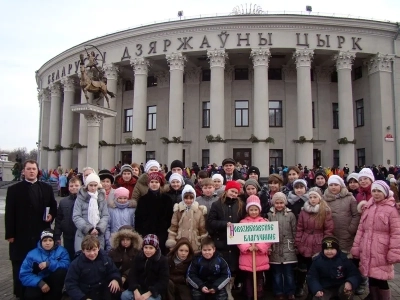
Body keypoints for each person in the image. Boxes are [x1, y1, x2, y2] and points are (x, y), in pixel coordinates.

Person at [5, 160, 57, 299]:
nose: (31, 171)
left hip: (40, 232)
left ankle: (40, 289)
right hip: (21, 233)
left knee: (39, 262)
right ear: (24, 171)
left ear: (37, 171)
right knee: (20, 261)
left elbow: (53, 205)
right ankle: (20, 291)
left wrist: (51, 215)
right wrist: (10, 234)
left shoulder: (46, 188)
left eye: (34, 169)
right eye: (28, 169)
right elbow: (9, 213)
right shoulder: (14, 189)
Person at [351, 180, 400, 299]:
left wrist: (394, 252)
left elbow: (396, 233)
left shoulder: (392, 209)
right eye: (374, 191)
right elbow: (361, 229)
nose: (376, 193)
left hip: (382, 250)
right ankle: (374, 297)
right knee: (371, 276)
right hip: (367, 248)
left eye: (379, 191)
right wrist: (356, 247)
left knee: (381, 279)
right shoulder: (368, 207)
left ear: (386, 192)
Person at [207, 181, 245, 299]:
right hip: (221, 241)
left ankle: (230, 288)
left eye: (236, 192)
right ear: (226, 190)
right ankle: (222, 290)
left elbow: (244, 220)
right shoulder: (217, 205)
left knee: (233, 267)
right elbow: (211, 222)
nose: (234, 194)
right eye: (232, 191)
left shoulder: (240, 205)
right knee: (222, 267)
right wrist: (224, 224)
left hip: (235, 242)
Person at [295, 187, 334, 298]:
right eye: (310, 197)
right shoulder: (304, 211)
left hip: (319, 241)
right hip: (305, 241)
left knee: (317, 269)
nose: (312, 199)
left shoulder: (325, 211)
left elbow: (328, 229)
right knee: (305, 269)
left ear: (320, 198)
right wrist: (298, 243)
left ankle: (316, 291)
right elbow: (299, 228)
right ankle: (304, 289)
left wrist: (325, 244)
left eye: (315, 197)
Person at [65, 235, 122, 300]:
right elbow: (70, 284)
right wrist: (83, 298)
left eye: (94, 250)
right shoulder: (76, 264)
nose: (92, 253)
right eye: (88, 251)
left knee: (116, 290)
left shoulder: (105, 258)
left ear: (98, 248)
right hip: (86, 294)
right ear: (83, 250)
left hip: (103, 291)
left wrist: (115, 279)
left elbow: (114, 271)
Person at [19, 229, 69, 300]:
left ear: (54, 241)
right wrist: (40, 283)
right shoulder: (32, 254)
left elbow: (66, 266)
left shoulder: (62, 251)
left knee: (61, 271)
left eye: (50, 240)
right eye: (45, 240)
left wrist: (49, 264)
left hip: (54, 282)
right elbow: (24, 274)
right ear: (41, 241)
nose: (47, 243)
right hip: (38, 281)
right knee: (31, 296)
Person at [238, 195, 271, 299]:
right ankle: (249, 296)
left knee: (259, 279)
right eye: (251, 209)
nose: (253, 212)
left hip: (260, 257)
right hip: (247, 257)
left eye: (255, 209)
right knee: (248, 279)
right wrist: (247, 247)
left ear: (259, 210)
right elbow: (238, 239)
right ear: (248, 210)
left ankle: (259, 296)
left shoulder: (264, 222)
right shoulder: (242, 223)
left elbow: (269, 238)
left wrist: (259, 247)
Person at [267, 192, 297, 300]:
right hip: (275, 248)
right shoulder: (269, 215)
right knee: (277, 274)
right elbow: (267, 233)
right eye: (277, 203)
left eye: (281, 203)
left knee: (289, 273)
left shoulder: (291, 215)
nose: (279, 205)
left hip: (288, 247)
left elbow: (294, 231)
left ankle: (290, 292)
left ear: (285, 203)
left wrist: (295, 245)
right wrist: (269, 247)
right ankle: (278, 292)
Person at [135, 171, 174, 254]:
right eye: (152, 182)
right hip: (146, 233)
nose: (154, 184)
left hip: (162, 233)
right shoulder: (142, 200)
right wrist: (141, 233)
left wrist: (165, 232)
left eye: (156, 182)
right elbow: (138, 218)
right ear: (148, 184)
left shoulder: (167, 199)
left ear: (160, 183)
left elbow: (170, 218)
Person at [121, 234, 169, 300]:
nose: (148, 250)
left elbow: (163, 281)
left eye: (151, 248)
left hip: (153, 293)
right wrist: (135, 290)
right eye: (146, 247)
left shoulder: (162, 261)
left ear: (156, 249)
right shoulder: (139, 257)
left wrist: (149, 293)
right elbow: (132, 274)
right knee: (125, 296)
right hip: (138, 289)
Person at [72, 173, 109, 251]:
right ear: (87, 185)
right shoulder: (80, 198)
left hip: (98, 234)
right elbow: (76, 216)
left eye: (95, 185)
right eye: (91, 185)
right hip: (83, 233)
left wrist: (99, 229)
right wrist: (89, 229)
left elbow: (105, 215)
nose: (93, 188)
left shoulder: (102, 198)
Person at [166, 185, 208, 252]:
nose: (188, 200)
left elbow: (202, 229)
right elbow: (173, 227)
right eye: (186, 198)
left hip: (195, 243)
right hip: (180, 241)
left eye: (191, 198)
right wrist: (171, 241)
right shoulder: (178, 210)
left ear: (194, 198)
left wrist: (204, 243)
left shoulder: (199, 211)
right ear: (183, 198)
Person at [108, 225, 143, 291]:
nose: (125, 242)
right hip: (116, 280)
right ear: (118, 240)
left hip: (133, 281)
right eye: (123, 240)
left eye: (128, 239)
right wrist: (116, 278)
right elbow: (110, 268)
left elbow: (137, 267)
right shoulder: (113, 252)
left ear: (133, 240)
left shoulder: (138, 252)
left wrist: (125, 276)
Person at [54, 176, 81, 260]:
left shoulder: (84, 200)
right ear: (68, 187)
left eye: (76, 185)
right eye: (71, 186)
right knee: (69, 256)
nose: (74, 188)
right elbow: (58, 220)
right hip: (67, 235)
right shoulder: (63, 202)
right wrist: (57, 235)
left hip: (80, 235)